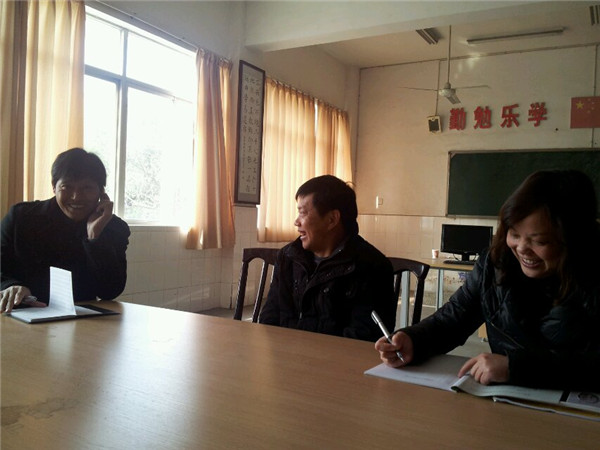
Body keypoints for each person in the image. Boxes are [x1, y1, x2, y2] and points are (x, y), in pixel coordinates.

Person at [376, 169, 600, 391]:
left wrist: (516, 368)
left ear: (573, 239)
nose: (522, 248)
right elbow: (454, 318)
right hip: (505, 399)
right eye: (514, 234)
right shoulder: (495, 264)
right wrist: (413, 340)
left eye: (539, 241)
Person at [259, 175, 396, 342]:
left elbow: (364, 338)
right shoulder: (288, 257)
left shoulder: (372, 267)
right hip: (287, 353)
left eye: (303, 213)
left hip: (337, 358)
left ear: (332, 219)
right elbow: (269, 318)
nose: (296, 222)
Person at [1, 148, 130, 313]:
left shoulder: (114, 228)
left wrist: (95, 238)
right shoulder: (21, 218)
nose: (76, 197)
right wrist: (11, 285)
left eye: (87, 188)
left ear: (101, 192)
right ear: (54, 187)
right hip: (21, 313)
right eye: (67, 187)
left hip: (82, 319)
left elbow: (110, 291)